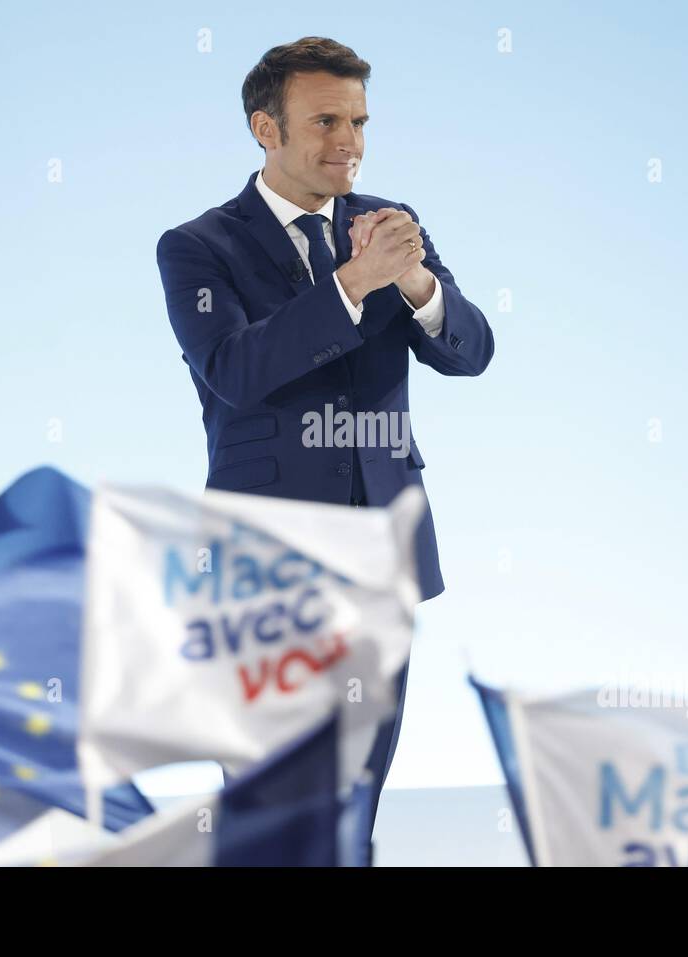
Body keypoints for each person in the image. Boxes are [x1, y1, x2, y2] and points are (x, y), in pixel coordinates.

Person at [156, 36, 494, 861]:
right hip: (265, 563)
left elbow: (473, 351)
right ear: (265, 129)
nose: (350, 141)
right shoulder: (197, 246)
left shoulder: (389, 224)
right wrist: (353, 284)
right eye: (327, 120)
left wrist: (414, 282)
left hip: (384, 551)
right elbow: (237, 370)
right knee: (269, 791)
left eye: (359, 121)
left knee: (357, 794)